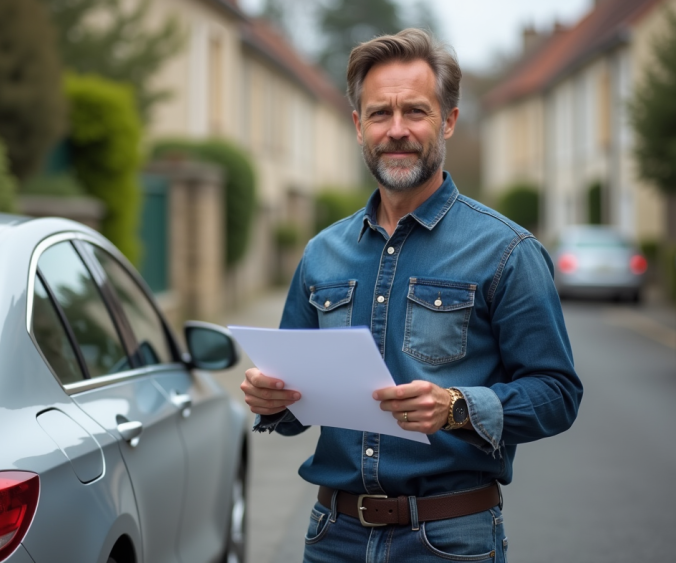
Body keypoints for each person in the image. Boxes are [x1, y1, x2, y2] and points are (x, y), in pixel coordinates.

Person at [240, 28, 582, 562]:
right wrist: (272, 401)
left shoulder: (507, 251)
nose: (396, 130)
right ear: (358, 126)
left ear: (447, 120)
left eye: (415, 112)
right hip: (332, 537)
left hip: (449, 539)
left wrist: (458, 407)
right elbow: (293, 397)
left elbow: (559, 394)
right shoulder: (321, 253)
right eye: (380, 114)